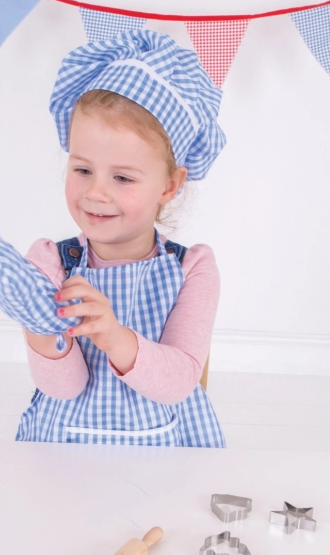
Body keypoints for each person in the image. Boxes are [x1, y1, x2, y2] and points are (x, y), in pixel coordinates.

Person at [20, 29, 227, 447]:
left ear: (169, 186)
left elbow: (179, 383)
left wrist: (114, 337)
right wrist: (42, 332)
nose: (96, 192)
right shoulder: (50, 265)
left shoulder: (192, 270)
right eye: (83, 170)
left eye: (123, 177)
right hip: (65, 447)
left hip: (167, 448)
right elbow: (63, 389)